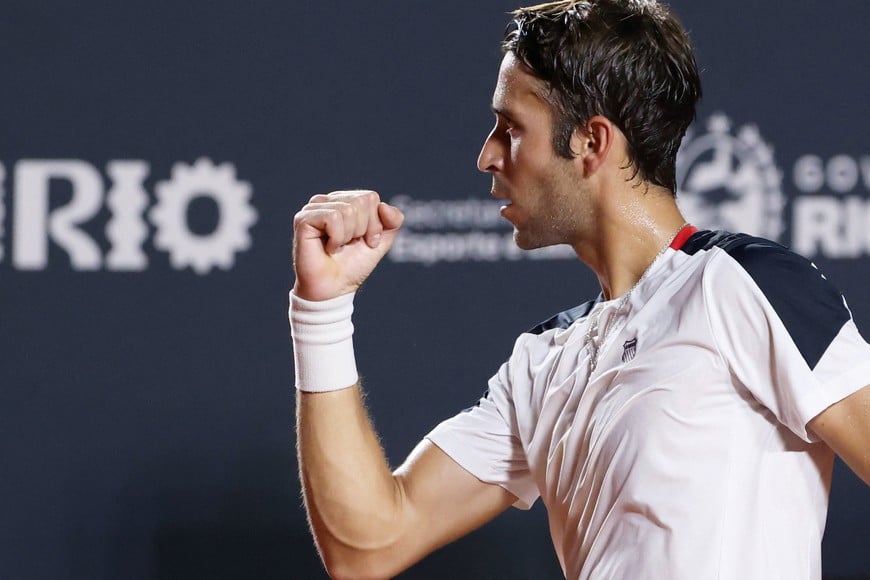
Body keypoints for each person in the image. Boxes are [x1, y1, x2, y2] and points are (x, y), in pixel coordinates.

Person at [289, 1, 870, 578]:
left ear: (592, 142)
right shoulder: (541, 362)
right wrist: (322, 310)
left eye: (511, 128)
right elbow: (368, 544)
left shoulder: (741, 283)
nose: (487, 154)